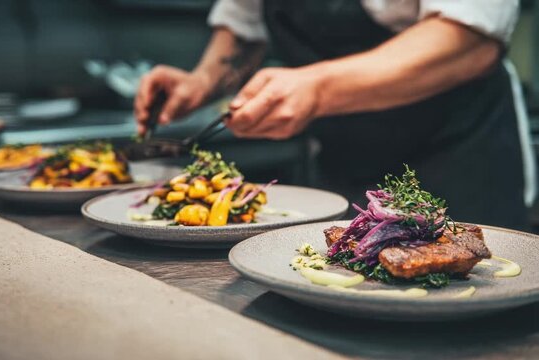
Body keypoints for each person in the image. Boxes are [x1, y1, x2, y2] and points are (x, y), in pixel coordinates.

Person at [134, 0, 534, 230]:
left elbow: (469, 41)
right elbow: (244, 26)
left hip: (454, 154)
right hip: (345, 159)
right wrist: (202, 82)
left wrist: (318, 88)